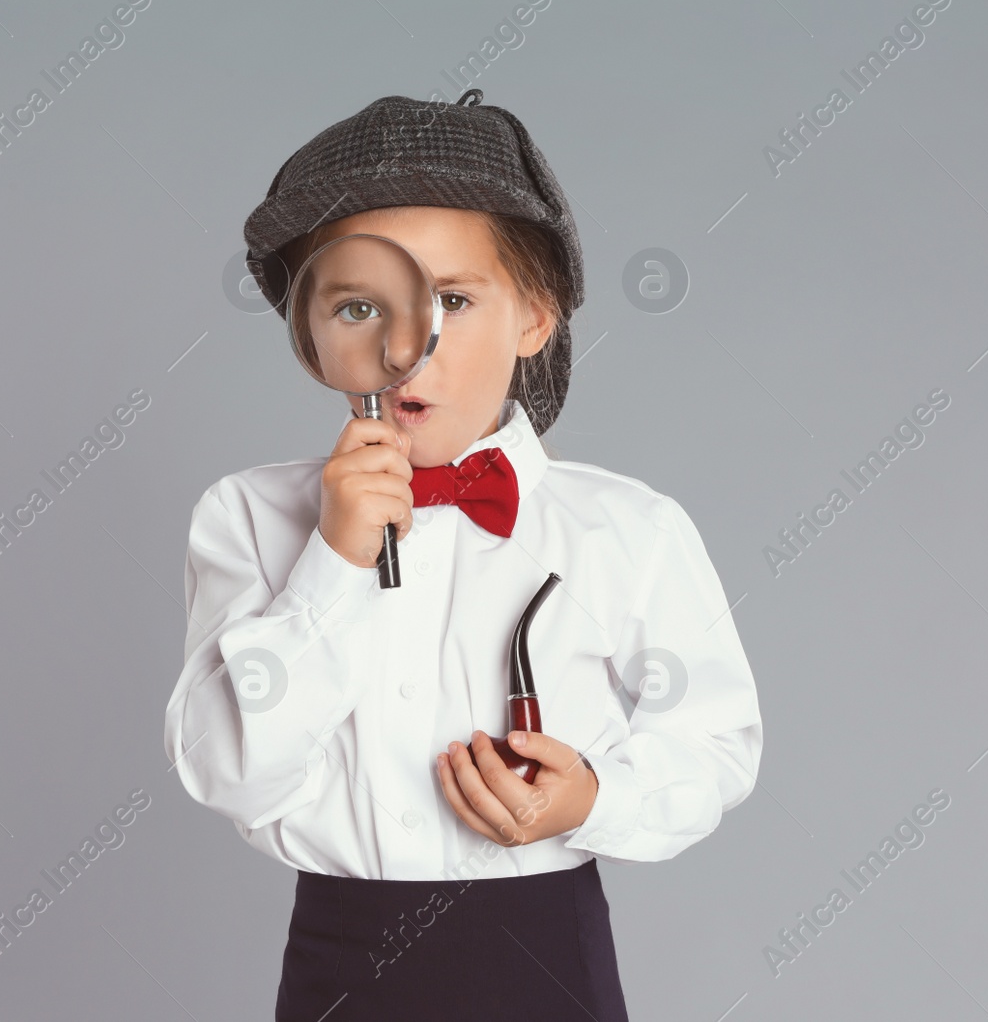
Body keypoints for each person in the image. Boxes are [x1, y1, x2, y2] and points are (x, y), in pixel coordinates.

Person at [164, 89, 763, 1021]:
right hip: (338, 960)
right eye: (361, 303)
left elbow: (716, 742)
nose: (408, 346)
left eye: (451, 298)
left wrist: (592, 799)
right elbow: (228, 770)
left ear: (534, 317)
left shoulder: (628, 530)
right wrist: (333, 561)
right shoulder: (245, 516)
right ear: (312, 332)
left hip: (544, 952)